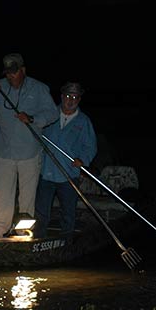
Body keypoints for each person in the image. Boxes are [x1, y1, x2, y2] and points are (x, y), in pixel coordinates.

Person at [0, 53, 59, 237]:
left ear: (23, 70)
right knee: (1, 193)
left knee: (27, 195)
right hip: (3, 151)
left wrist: (32, 119)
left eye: (14, 72)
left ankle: (23, 230)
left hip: (29, 152)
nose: (11, 76)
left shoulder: (39, 88)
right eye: (8, 72)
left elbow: (53, 114)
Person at [34, 82, 97, 238]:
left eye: (75, 97)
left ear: (79, 100)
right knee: (41, 212)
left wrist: (82, 159)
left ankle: (66, 242)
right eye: (68, 96)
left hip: (69, 174)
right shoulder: (49, 115)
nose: (71, 100)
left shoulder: (84, 121)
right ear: (62, 97)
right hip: (46, 173)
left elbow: (90, 147)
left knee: (68, 212)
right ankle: (38, 240)